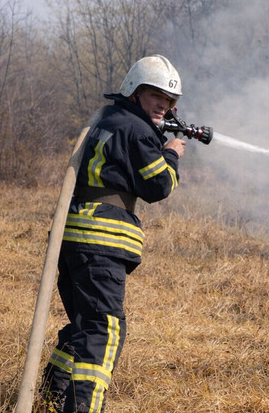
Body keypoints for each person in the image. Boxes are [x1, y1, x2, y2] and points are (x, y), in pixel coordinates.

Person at [40, 55, 187, 412]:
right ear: (134, 93)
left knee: (83, 326)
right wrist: (171, 154)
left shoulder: (111, 120)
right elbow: (158, 187)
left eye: (169, 101)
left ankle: (49, 397)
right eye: (155, 96)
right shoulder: (136, 131)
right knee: (104, 331)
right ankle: (81, 408)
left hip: (76, 237)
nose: (163, 106)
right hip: (101, 241)